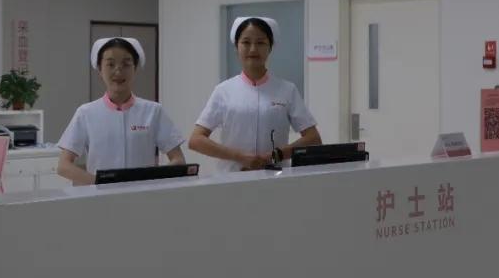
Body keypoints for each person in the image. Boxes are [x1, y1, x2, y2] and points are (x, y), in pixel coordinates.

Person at [189, 16, 321, 173]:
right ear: (236, 47)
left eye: (260, 43)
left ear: (270, 48)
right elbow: (196, 140)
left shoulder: (287, 90)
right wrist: (239, 157)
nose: (253, 49)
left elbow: (313, 138)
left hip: (276, 177)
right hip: (232, 178)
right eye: (246, 42)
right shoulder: (223, 91)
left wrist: (276, 155)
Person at [57, 37, 186, 185]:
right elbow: (63, 166)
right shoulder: (86, 113)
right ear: (99, 69)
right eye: (110, 64)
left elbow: (178, 159)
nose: (118, 71)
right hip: (101, 196)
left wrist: (152, 180)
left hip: (144, 194)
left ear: (135, 68)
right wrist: (98, 183)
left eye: (126, 64)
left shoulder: (154, 111)